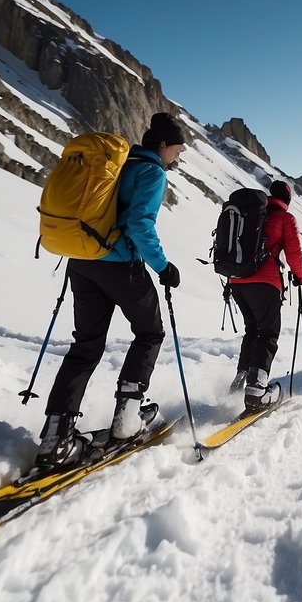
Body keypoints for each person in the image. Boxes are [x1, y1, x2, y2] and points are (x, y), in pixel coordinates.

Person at [36, 112, 186, 468]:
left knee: (85, 345)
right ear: (162, 145)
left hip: (82, 262)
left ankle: (56, 437)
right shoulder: (151, 172)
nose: (177, 158)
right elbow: (139, 225)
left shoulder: (116, 165)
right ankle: (127, 420)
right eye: (177, 150)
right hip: (120, 266)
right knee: (150, 332)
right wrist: (164, 267)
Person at [229, 179, 302, 412]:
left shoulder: (251, 213)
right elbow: (294, 252)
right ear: (287, 200)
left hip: (236, 282)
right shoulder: (284, 218)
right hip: (265, 283)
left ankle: (241, 378)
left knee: (252, 330)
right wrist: (299, 276)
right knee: (268, 334)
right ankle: (256, 392)